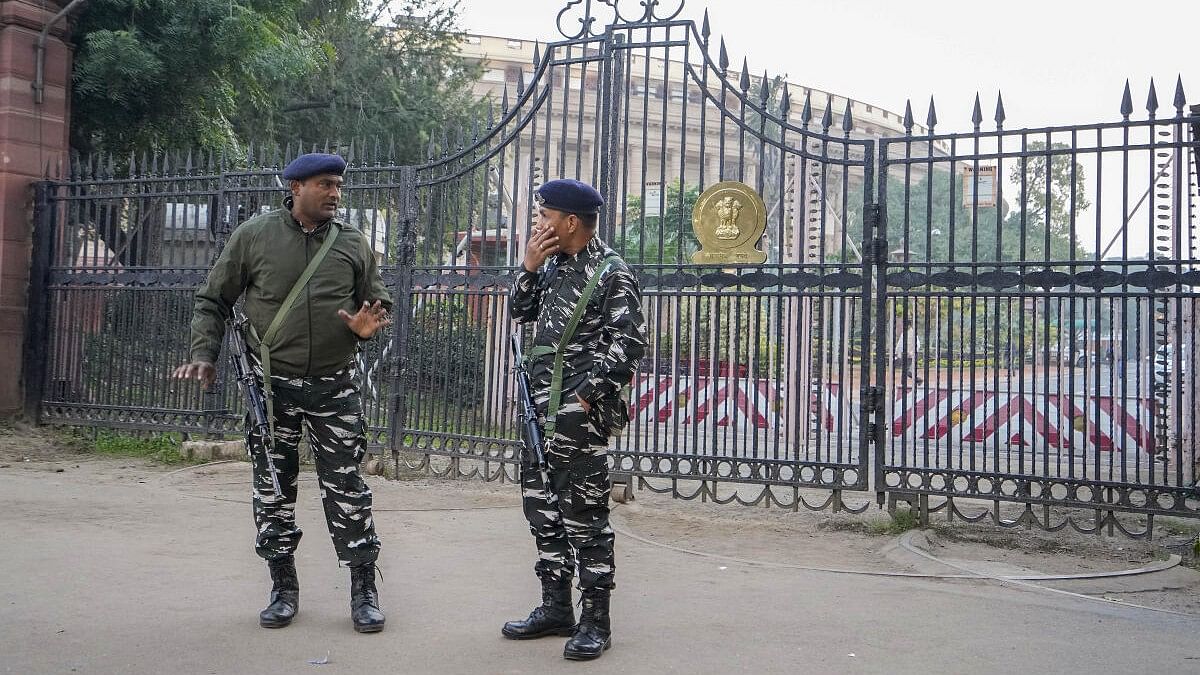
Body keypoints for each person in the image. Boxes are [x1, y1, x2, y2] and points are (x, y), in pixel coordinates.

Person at [171, 153, 391, 633]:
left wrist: (367, 323)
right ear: (294, 187)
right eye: (324, 185)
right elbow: (214, 300)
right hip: (272, 388)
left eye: (338, 185)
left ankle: (363, 591)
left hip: (335, 385)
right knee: (273, 488)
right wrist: (203, 354)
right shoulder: (255, 236)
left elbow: (378, 301)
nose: (335, 193)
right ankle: (283, 588)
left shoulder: (352, 243)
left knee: (348, 489)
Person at [502, 178, 647, 661]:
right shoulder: (551, 266)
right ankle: (555, 608)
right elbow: (519, 312)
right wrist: (527, 267)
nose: (539, 224)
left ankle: (595, 621)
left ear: (569, 221)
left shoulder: (611, 273)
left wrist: (586, 396)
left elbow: (629, 345)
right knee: (541, 506)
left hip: (578, 417)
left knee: (584, 515)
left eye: (545, 216)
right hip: (538, 409)